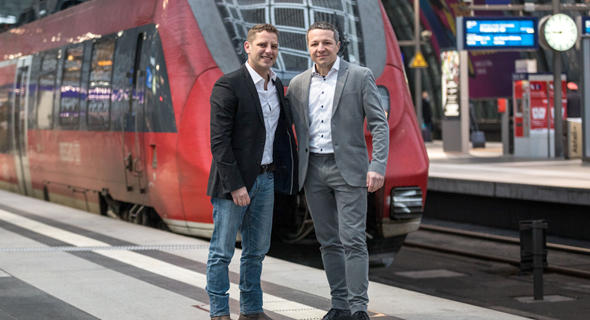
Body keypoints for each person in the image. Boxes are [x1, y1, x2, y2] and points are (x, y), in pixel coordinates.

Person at [286, 22, 389, 320]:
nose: (321, 48)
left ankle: (359, 308)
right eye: (315, 43)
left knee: (353, 239)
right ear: (308, 47)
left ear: (338, 45)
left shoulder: (359, 76)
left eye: (327, 42)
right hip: (312, 170)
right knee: (328, 241)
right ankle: (340, 305)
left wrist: (377, 165)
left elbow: (379, 125)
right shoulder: (298, 84)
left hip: (349, 170)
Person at [206, 23, 297, 320]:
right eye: (262, 45)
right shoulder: (228, 85)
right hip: (234, 184)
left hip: (266, 179)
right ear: (248, 47)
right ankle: (219, 312)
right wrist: (236, 185)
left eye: (273, 46)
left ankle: (252, 311)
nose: (268, 51)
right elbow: (219, 142)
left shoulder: (277, 85)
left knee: (257, 251)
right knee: (222, 252)